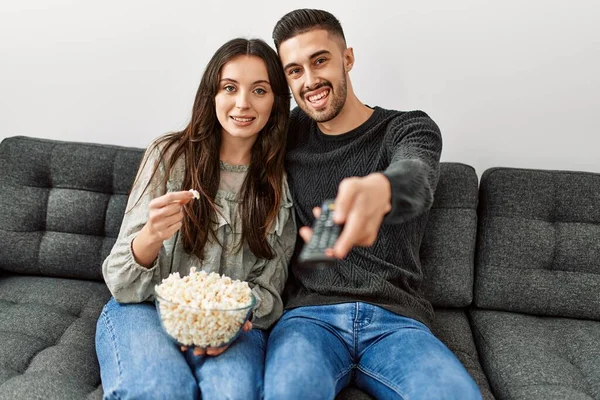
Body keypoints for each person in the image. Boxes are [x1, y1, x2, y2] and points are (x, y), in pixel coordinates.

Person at [263, 9, 482, 400]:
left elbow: (416, 175)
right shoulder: (286, 133)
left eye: (320, 60)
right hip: (309, 317)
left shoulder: (407, 127)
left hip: (396, 320)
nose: (310, 80)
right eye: (294, 71)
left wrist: (381, 189)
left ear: (347, 58)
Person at [95, 37, 296, 400]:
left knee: (234, 393)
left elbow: (269, 292)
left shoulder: (280, 182)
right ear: (212, 95)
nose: (242, 103)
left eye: (260, 90)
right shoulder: (168, 156)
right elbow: (121, 283)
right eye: (229, 88)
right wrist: (152, 236)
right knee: (161, 390)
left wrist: (221, 322)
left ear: (277, 103)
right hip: (144, 309)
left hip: (232, 325)